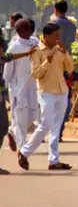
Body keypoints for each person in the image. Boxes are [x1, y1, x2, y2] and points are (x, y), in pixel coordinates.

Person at [18, 22, 76, 171]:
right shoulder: (36, 51)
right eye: (55, 35)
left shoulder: (59, 50)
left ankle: (54, 160)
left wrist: (65, 53)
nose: (58, 38)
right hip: (46, 92)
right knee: (46, 124)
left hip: (62, 91)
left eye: (59, 35)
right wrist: (47, 61)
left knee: (56, 127)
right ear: (46, 36)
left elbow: (70, 69)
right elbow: (36, 74)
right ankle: (24, 152)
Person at [5, 17, 41, 159]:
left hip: (33, 87)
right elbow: (7, 73)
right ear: (19, 30)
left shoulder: (35, 43)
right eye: (25, 29)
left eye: (29, 28)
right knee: (21, 119)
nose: (29, 31)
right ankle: (22, 149)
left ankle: (12, 132)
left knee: (31, 118)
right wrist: (8, 91)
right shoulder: (13, 47)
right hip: (18, 89)